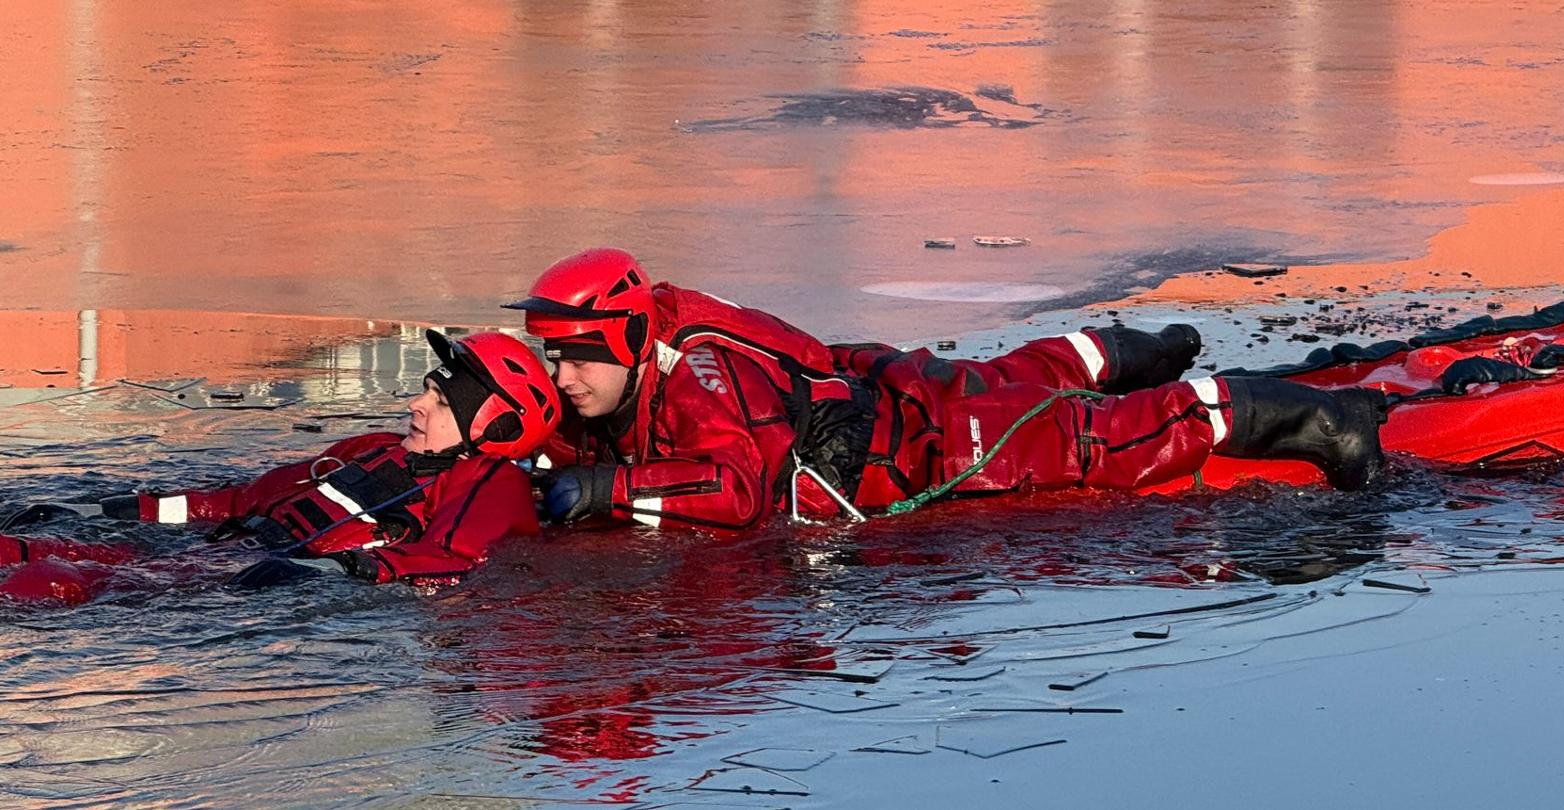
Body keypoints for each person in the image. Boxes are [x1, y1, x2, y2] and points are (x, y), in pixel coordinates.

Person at [506, 248, 1387, 532]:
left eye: (577, 356)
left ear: (626, 333)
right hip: (871, 387)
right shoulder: (662, 333)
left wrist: (602, 490)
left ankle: (1328, 419)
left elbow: (735, 490)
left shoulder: (695, 371)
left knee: (1091, 443)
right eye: (550, 358)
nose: (562, 375)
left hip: (905, 448)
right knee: (1004, 381)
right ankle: (1133, 349)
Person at [0, 330, 562, 602]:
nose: (416, 404)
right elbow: (241, 501)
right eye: (425, 392)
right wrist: (99, 508)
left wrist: (322, 572)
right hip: (223, 552)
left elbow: (447, 558)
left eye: (440, 403)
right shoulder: (374, 447)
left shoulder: (494, 483)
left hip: (251, 577)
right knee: (24, 548)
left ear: (495, 429)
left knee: (49, 581)